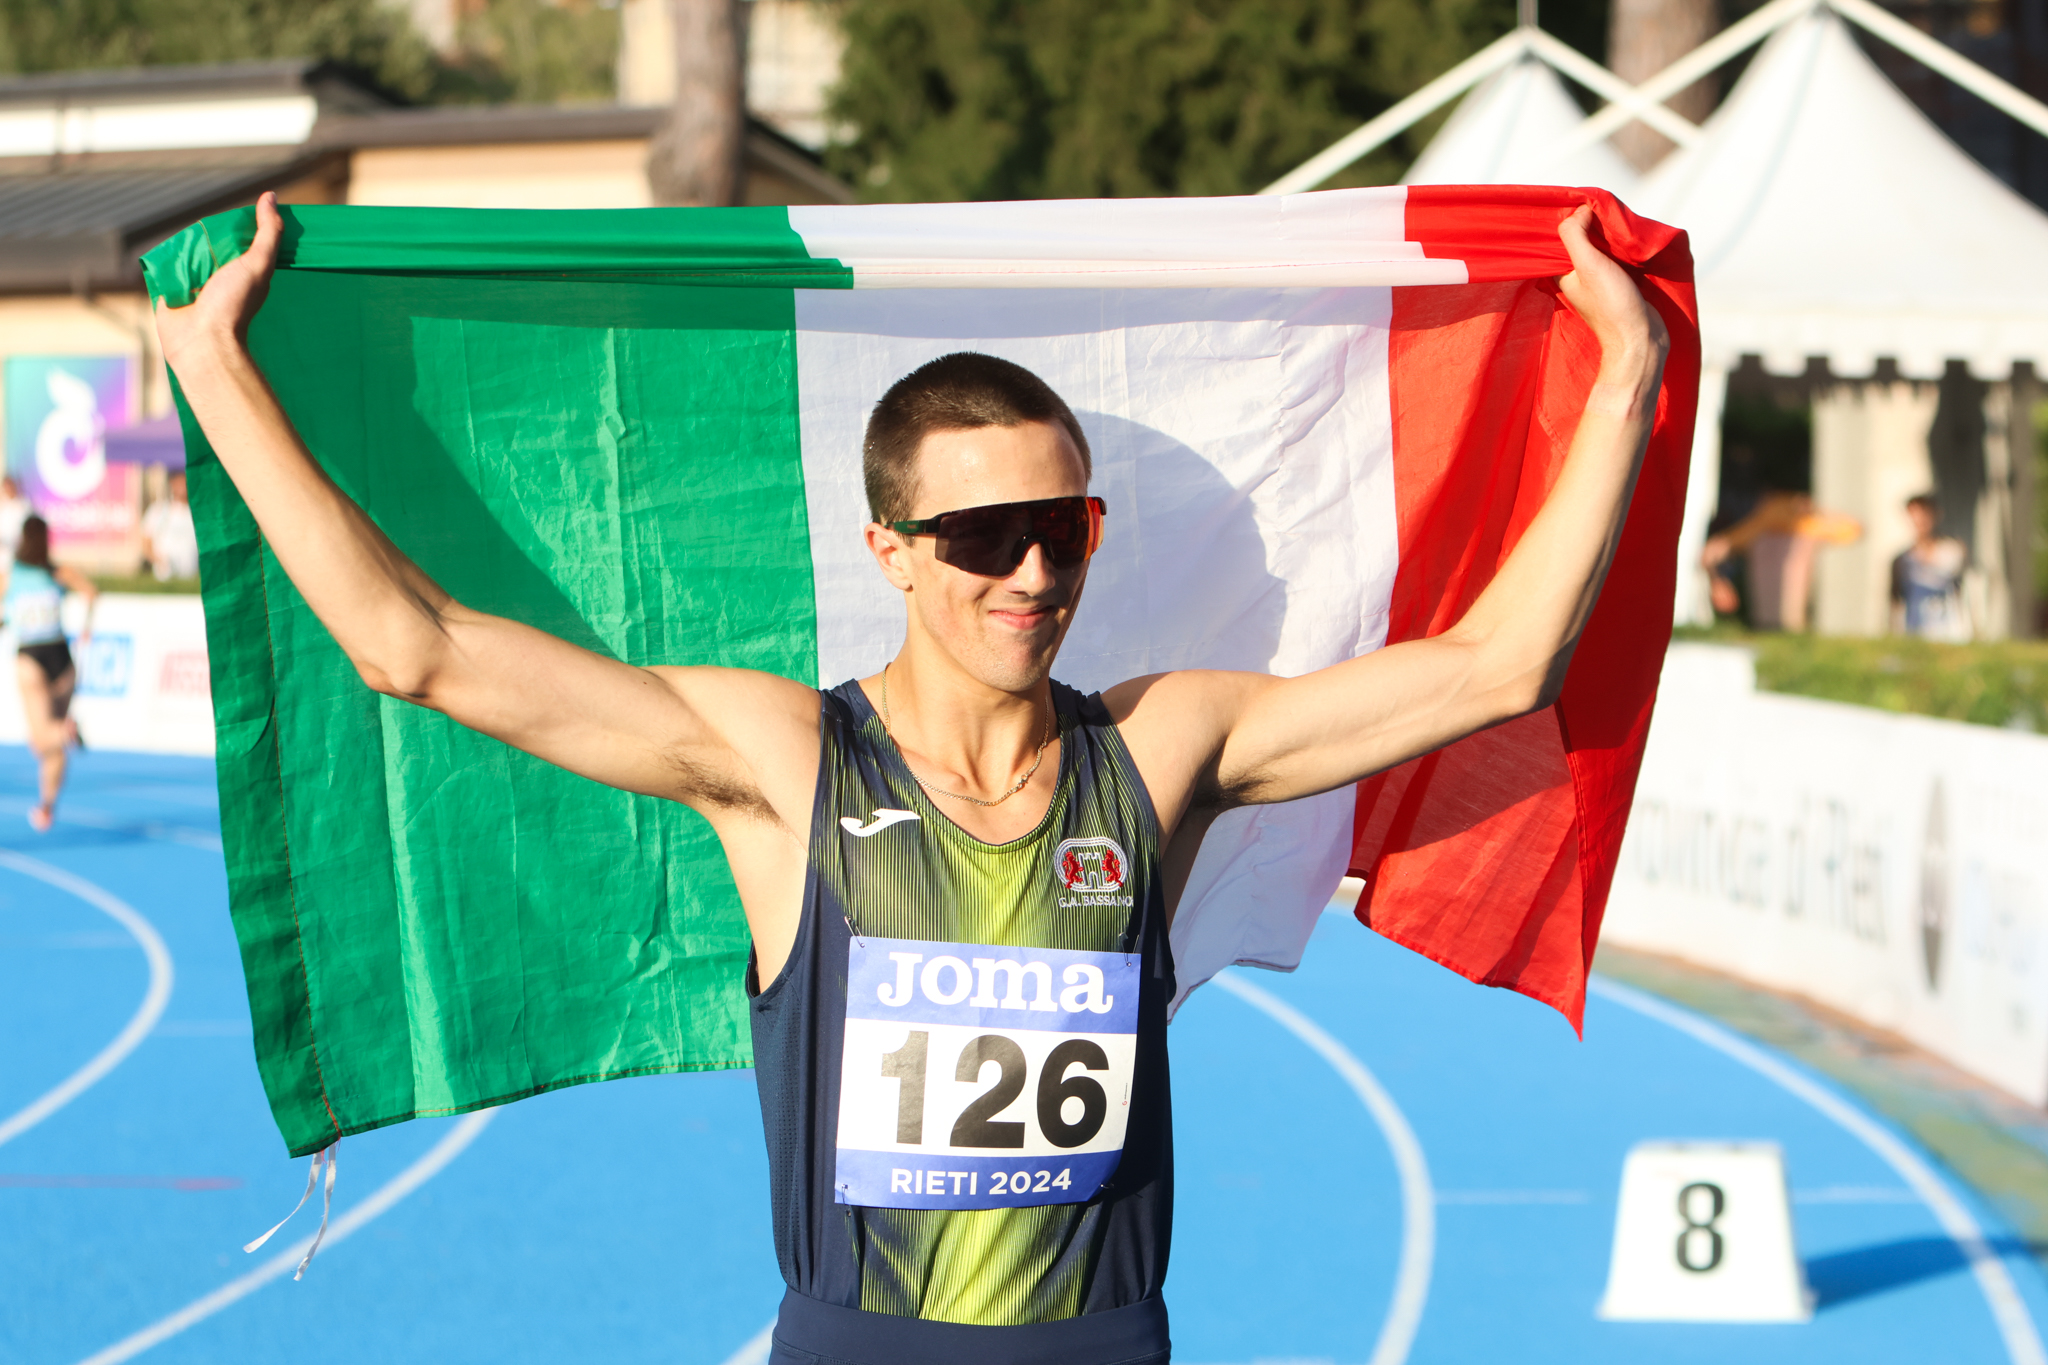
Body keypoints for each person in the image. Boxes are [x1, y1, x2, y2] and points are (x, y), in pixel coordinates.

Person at [155, 192, 1666, 1365]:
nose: (1031, 573)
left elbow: (1496, 669)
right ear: (889, 549)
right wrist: (214, 373)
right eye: (982, 537)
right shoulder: (786, 759)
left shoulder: (1162, 746)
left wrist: (1623, 385)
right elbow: (418, 649)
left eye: (1062, 528)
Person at [2, 516, 95, 832]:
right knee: (53, 743)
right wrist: (87, 627)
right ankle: (47, 805)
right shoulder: (57, 572)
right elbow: (91, 592)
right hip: (61, 657)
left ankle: (66, 732)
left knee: (43, 738)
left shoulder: (12, 575)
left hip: (31, 656)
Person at [1891, 493, 1969, 640]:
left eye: (1925, 515)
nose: (1920, 521)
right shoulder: (1902, 560)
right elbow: (1895, 601)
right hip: (1914, 633)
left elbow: (1965, 591)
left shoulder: (1953, 552)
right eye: (1915, 516)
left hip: (1950, 633)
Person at [140, 470, 200, 581]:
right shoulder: (157, 510)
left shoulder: (198, 513)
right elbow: (146, 543)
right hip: (164, 577)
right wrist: (160, 561)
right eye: (178, 480)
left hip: (191, 577)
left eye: (185, 480)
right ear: (171, 483)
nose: (182, 485)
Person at [0, 475, 31, 562]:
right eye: (6, 487)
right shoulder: (2, 507)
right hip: (4, 551)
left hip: (20, 550)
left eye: (10, 486)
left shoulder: (23, 505)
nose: (8, 489)